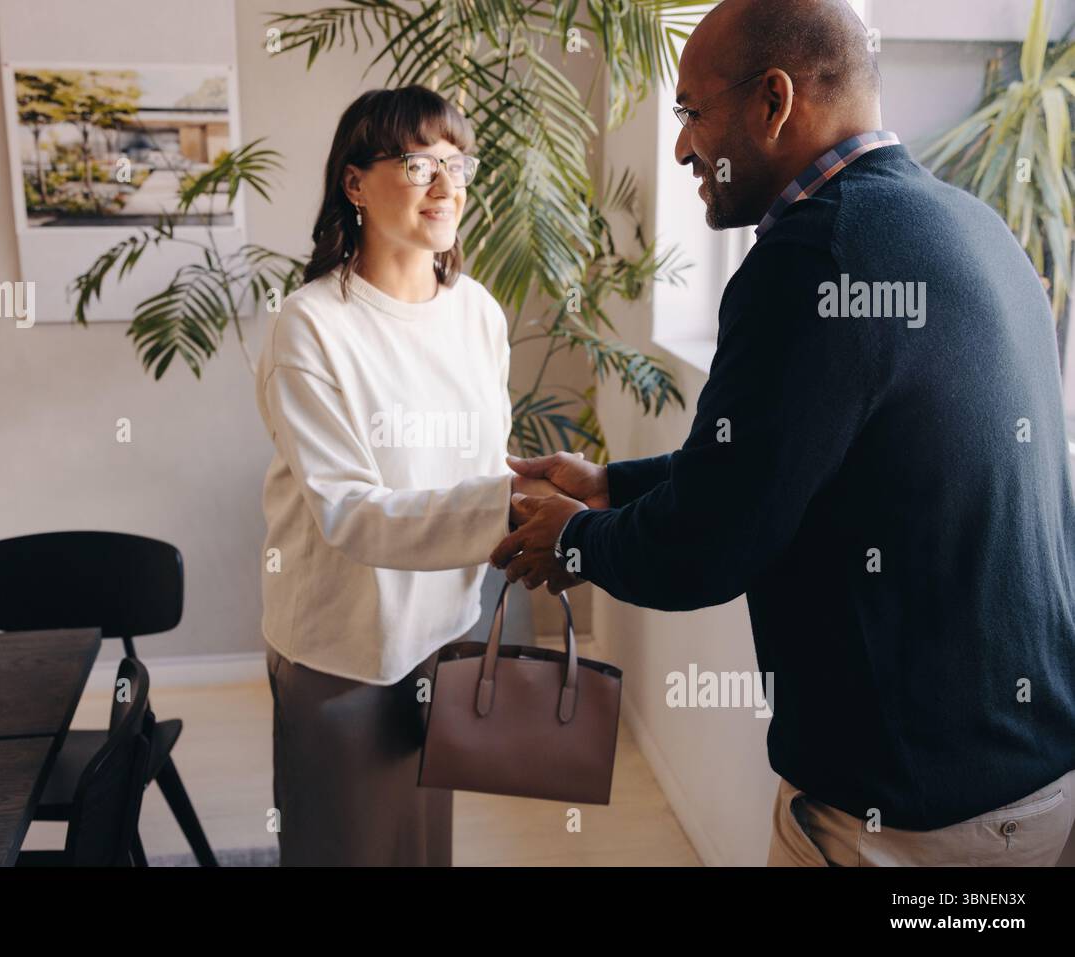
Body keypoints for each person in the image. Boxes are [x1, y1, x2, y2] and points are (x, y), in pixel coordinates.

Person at [491, 0, 1075, 866]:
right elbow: (772, 465)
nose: (683, 145)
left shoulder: (815, 257)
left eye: (691, 111)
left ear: (773, 101)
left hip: (906, 823)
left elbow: (707, 546)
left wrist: (574, 542)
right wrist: (612, 486)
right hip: (1033, 790)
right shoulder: (975, 227)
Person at [255, 85, 555, 865]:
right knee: (344, 848)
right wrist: (508, 505)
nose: (447, 184)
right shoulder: (312, 325)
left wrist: (535, 506)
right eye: (419, 162)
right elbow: (350, 511)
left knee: (422, 847)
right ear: (354, 183)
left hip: (444, 635)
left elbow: (485, 462)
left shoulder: (478, 312)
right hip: (341, 643)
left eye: (458, 164)